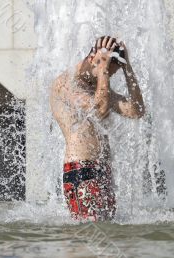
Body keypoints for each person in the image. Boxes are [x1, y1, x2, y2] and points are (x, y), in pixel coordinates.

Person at [50, 36, 145, 221]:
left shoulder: (97, 87)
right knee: (89, 239)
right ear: (93, 58)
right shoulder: (66, 83)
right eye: (108, 71)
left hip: (102, 170)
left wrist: (127, 68)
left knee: (107, 235)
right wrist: (103, 69)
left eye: (112, 73)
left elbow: (136, 111)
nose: (108, 76)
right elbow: (99, 110)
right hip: (81, 170)